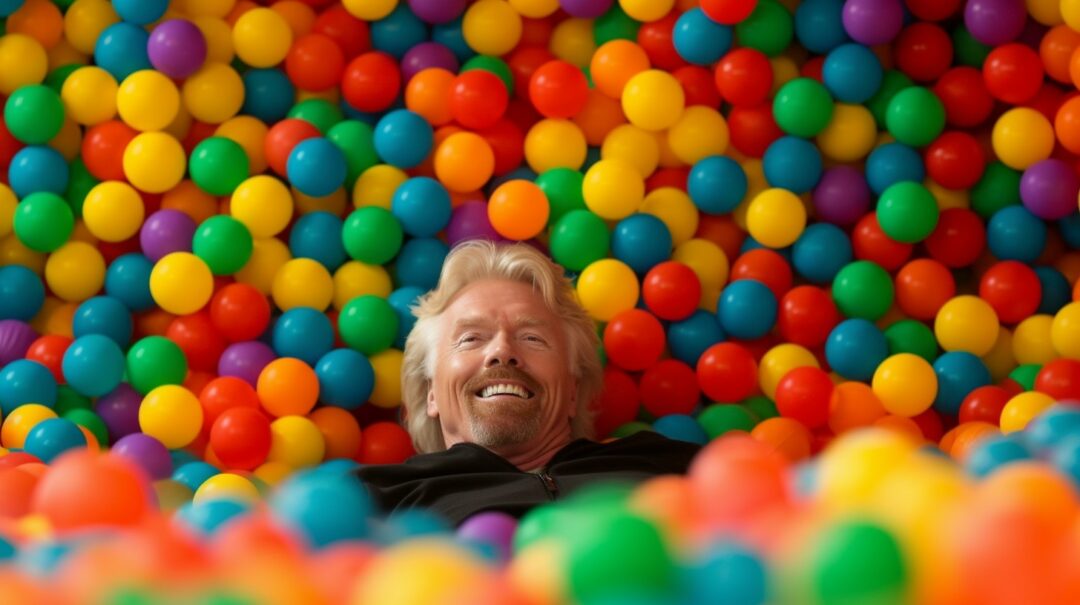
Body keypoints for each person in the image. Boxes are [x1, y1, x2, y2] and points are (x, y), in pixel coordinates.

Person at [355, 240, 702, 526]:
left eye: (533, 338)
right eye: (471, 338)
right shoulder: (374, 502)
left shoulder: (672, 467)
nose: (502, 351)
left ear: (572, 391)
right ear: (431, 392)